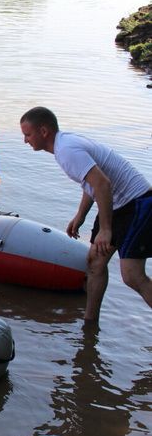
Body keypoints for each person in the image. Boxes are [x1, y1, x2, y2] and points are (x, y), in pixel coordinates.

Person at [19, 106, 152, 323]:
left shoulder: (66, 150)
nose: (25, 140)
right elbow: (91, 183)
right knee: (95, 263)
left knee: (132, 277)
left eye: (27, 134)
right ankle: (90, 325)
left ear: (44, 131)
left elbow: (102, 184)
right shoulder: (64, 145)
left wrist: (106, 230)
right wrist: (80, 215)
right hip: (117, 204)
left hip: (136, 204)